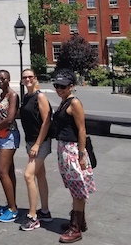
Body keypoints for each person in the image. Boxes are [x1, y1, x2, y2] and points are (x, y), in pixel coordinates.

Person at [53, 70, 96, 243]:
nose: (59, 89)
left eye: (63, 86)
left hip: (73, 150)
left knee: (78, 188)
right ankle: (80, 220)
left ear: (71, 86)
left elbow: (82, 130)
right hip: (64, 148)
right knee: (74, 187)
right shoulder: (64, 102)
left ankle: (76, 228)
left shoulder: (75, 102)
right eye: (56, 85)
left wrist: (81, 155)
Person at [18, 68, 52, 229]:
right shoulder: (26, 97)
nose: (28, 79)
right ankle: (44, 211)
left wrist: (38, 144)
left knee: (28, 175)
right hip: (31, 141)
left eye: (30, 76)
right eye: (25, 77)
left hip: (41, 142)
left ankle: (33, 216)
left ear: (35, 78)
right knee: (41, 175)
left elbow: (46, 121)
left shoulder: (40, 96)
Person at [0, 70, 21, 223]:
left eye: (3, 78)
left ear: (9, 79)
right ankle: (11, 204)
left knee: (1, 171)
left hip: (9, 136)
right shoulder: (2, 95)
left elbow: (10, 118)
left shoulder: (13, 95)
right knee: (9, 171)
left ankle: (13, 210)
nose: (0, 81)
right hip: (1, 136)